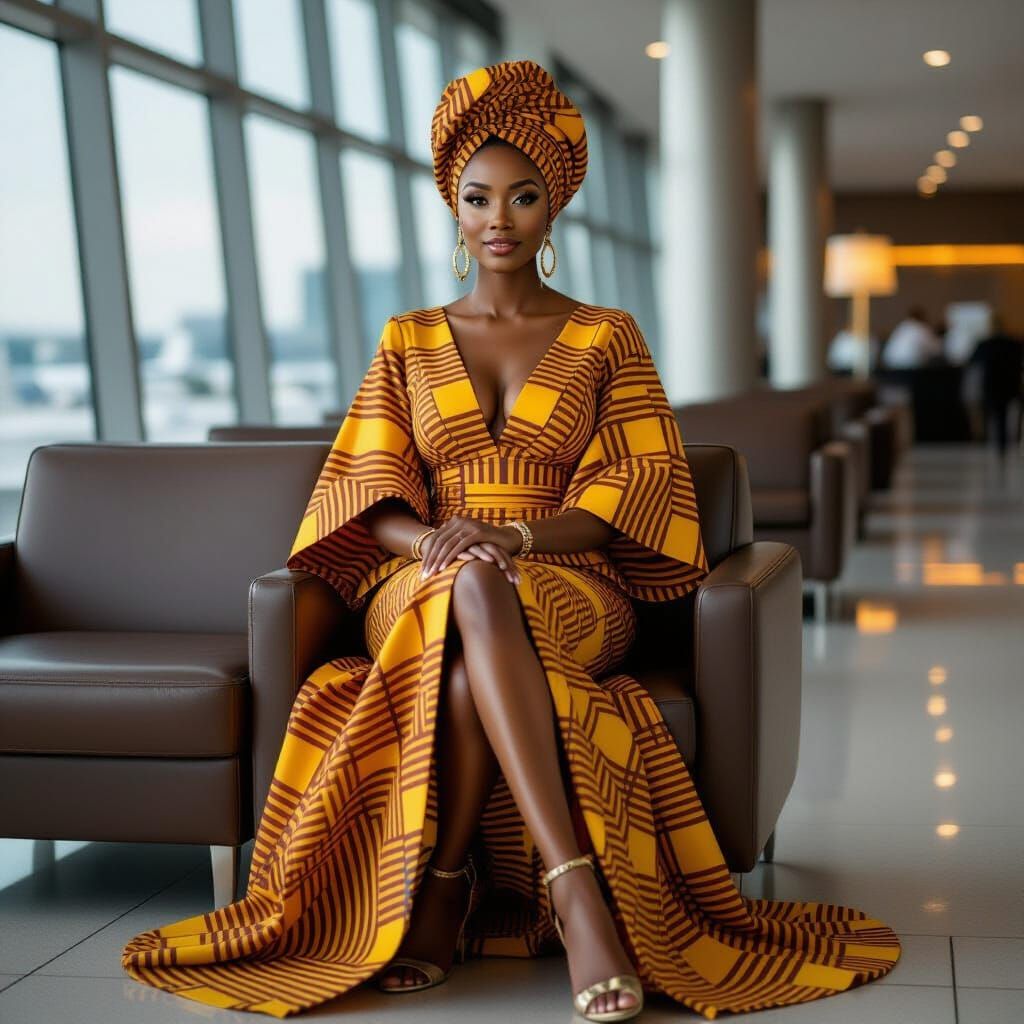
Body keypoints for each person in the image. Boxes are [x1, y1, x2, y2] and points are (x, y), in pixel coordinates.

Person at [121, 59, 901, 1020]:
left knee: (487, 594)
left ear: (554, 207)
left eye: (523, 197)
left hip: (570, 576)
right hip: (427, 575)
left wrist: (517, 534)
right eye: (478, 195)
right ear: (451, 201)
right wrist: (437, 547)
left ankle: (466, 893)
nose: (499, 218)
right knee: (470, 601)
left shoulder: (609, 336)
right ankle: (570, 895)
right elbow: (367, 490)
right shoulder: (406, 337)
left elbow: (638, 488)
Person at [966, 313, 1024, 457]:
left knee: (995, 415)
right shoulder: (1014, 343)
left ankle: (996, 443)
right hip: (1010, 385)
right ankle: (1007, 442)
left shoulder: (985, 344)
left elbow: (972, 363)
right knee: (1005, 415)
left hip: (991, 385)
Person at [880, 305, 945, 368]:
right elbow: (936, 349)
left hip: (890, 367)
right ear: (922, 317)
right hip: (910, 369)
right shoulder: (920, 328)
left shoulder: (901, 327)